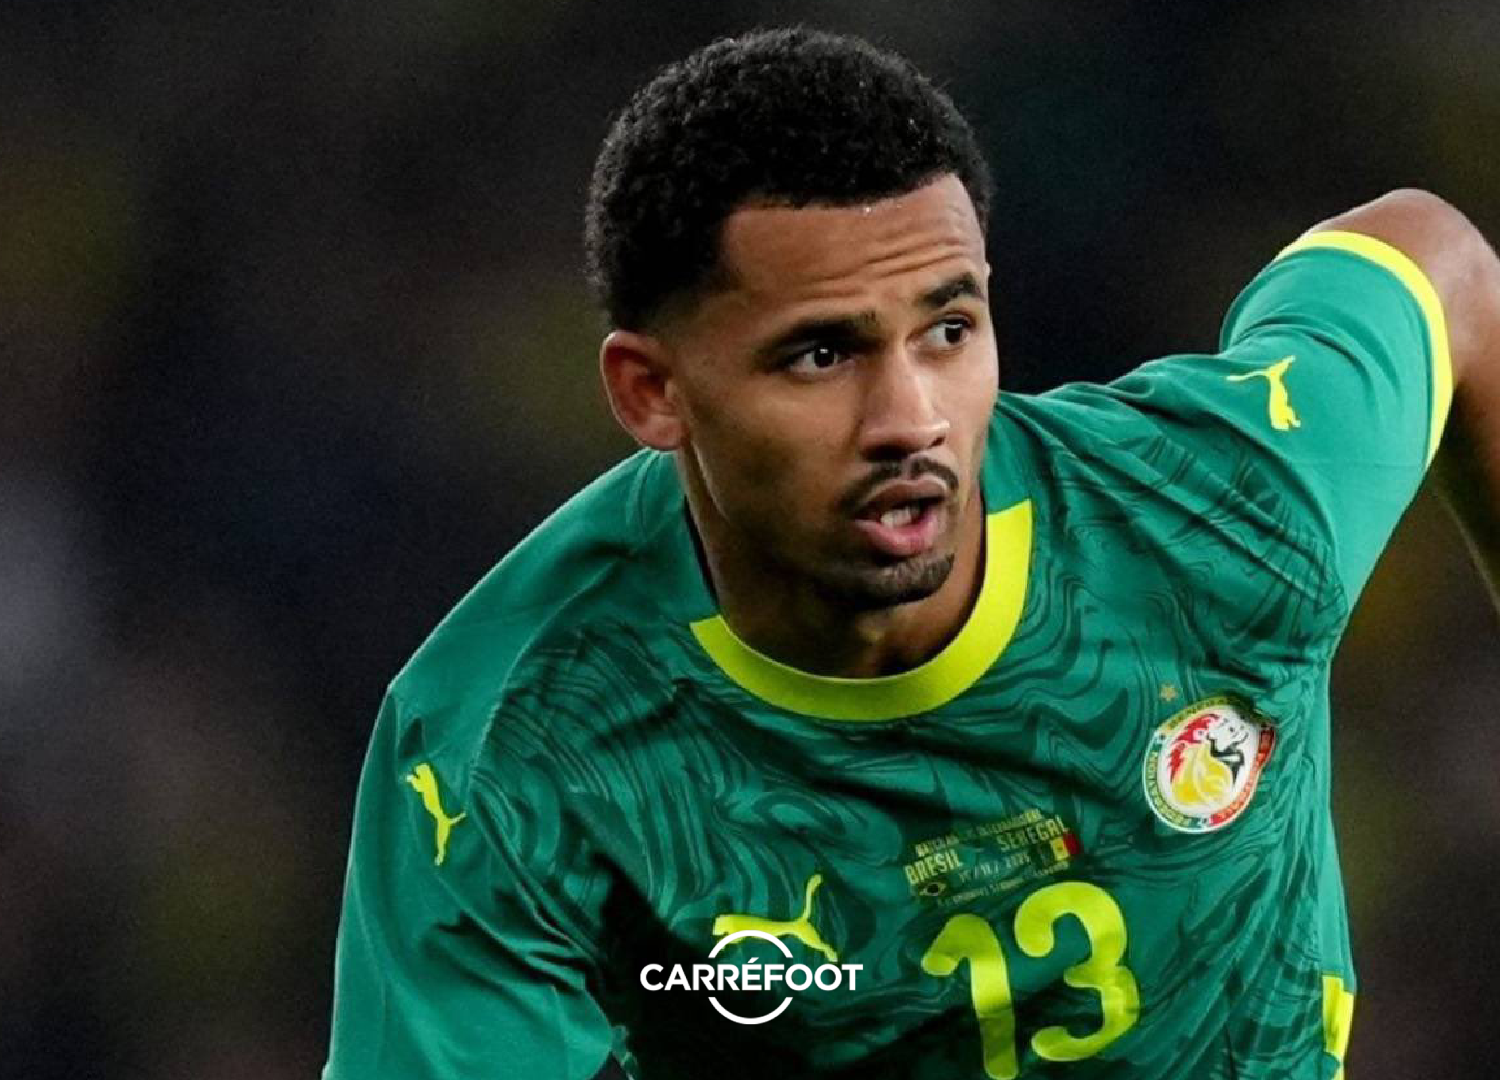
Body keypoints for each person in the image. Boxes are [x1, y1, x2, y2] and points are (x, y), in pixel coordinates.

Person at [322, 28, 1500, 1080]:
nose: (911, 419)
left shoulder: (1217, 510)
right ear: (651, 391)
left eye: (947, 328)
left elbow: (1437, 262)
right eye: (821, 355)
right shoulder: (507, 748)